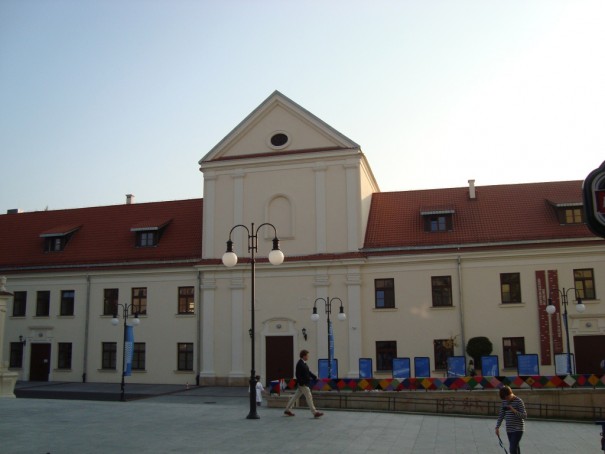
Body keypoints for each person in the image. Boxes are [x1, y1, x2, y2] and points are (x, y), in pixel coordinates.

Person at [283, 349, 323, 418]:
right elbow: (298, 375)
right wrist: (302, 383)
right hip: (303, 384)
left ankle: (287, 410)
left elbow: (308, 372)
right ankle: (315, 412)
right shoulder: (300, 364)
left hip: (302, 384)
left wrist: (315, 377)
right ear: (304, 356)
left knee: (295, 397)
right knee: (309, 397)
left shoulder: (304, 363)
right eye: (307, 355)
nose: (308, 357)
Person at [495, 386, 527, 454]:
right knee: (515, 447)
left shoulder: (519, 401)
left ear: (511, 393)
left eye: (507, 398)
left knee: (512, 448)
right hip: (509, 429)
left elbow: (524, 416)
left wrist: (514, 410)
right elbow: (501, 415)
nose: (506, 400)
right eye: (505, 399)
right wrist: (497, 427)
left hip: (518, 429)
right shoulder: (504, 401)